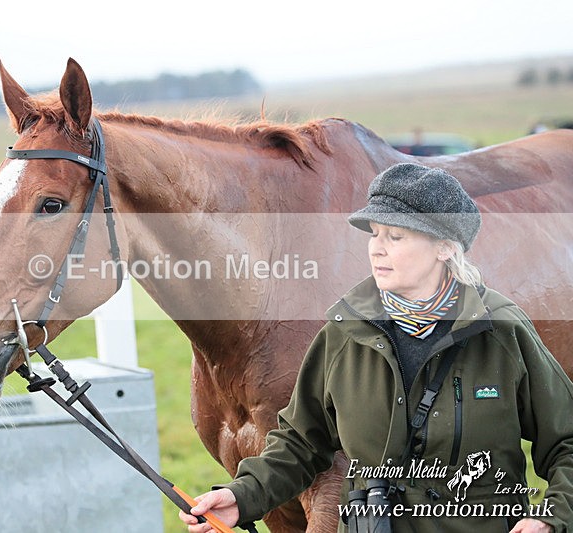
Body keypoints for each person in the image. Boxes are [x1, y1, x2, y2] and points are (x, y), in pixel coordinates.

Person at [180, 163, 573, 532]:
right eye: (374, 234)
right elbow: (300, 445)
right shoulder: (344, 332)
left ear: (444, 247)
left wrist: (551, 517)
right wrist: (241, 497)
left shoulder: (501, 329)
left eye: (395, 237)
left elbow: (567, 442)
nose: (377, 249)